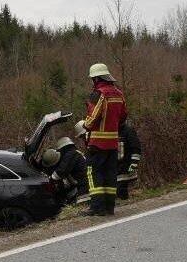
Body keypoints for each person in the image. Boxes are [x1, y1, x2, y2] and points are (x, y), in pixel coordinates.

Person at [82, 63, 127, 216]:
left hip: (97, 143)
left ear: (95, 78)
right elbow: (123, 117)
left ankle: (97, 207)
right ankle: (109, 207)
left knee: (93, 173)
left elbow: (92, 118)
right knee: (110, 173)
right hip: (113, 143)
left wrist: (85, 125)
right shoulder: (119, 94)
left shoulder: (98, 94)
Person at [41, 136, 88, 205]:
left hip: (84, 185)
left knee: (81, 204)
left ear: (63, 148)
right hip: (84, 182)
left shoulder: (70, 155)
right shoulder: (74, 152)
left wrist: (51, 179)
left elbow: (60, 172)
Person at [116, 120, 142, 200]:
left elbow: (136, 148)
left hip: (125, 167)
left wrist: (134, 163)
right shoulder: (110, 132)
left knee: (121, 189)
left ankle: (124, 200)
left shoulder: (128, 131)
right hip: (114, 167)